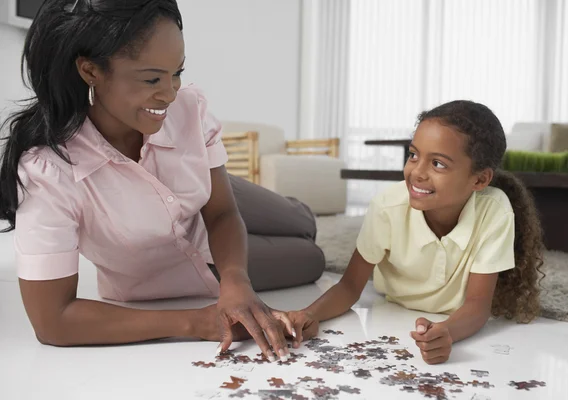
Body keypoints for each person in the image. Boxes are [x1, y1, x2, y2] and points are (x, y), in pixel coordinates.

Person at [0, 0, 325, 362]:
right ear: (90, 70)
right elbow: (52, 322)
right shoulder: (47, 170)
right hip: (190, 264)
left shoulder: (187, 107)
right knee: (313, 258)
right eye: (152, 78)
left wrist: (237, 279)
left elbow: (219, 213)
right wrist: (195, 322)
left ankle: (295, 213)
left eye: (177, 73)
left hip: (209, 203)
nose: (170, 93)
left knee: (302, 221)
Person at [285, 100, 545, 364]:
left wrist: (447, 332)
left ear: (479, 180)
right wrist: (309, 314)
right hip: (393, 307)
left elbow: (478, 304)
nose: (417, 172)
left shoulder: (495, 211)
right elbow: (350, 285)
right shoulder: (387, 207)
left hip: (456, 317)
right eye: (413, 155)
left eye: (438, 164)